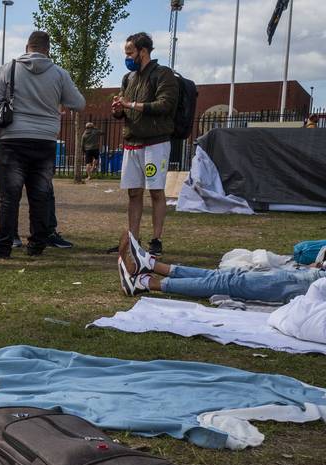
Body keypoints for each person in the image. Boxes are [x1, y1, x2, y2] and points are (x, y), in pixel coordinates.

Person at [0, 30, 85, 259]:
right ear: (47, 49)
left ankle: (3, 245)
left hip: (13, 139)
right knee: (40, 195)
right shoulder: (59, 74)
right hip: (45, 140)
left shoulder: (10, 68)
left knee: (9, 197)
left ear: (28, 46)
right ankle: (37, 244)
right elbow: (78, 103)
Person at [117, 231, 325, 303]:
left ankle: (146, 283)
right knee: (232, 275)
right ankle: (151, 265)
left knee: (233, 281)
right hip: (315, 276)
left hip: (314, 283)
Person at [113, 32, 178, 257]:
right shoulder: (128, 78)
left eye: (130, 52)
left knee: (156, 191)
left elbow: (165, 105)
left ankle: (156, 239)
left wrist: (131, 104)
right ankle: (133, 238)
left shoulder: (163, 74)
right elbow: (124, 107)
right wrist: (120, 110)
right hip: (133, 142)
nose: (127, 57)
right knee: (133, 192)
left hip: (155, 143)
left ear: (143, 51)